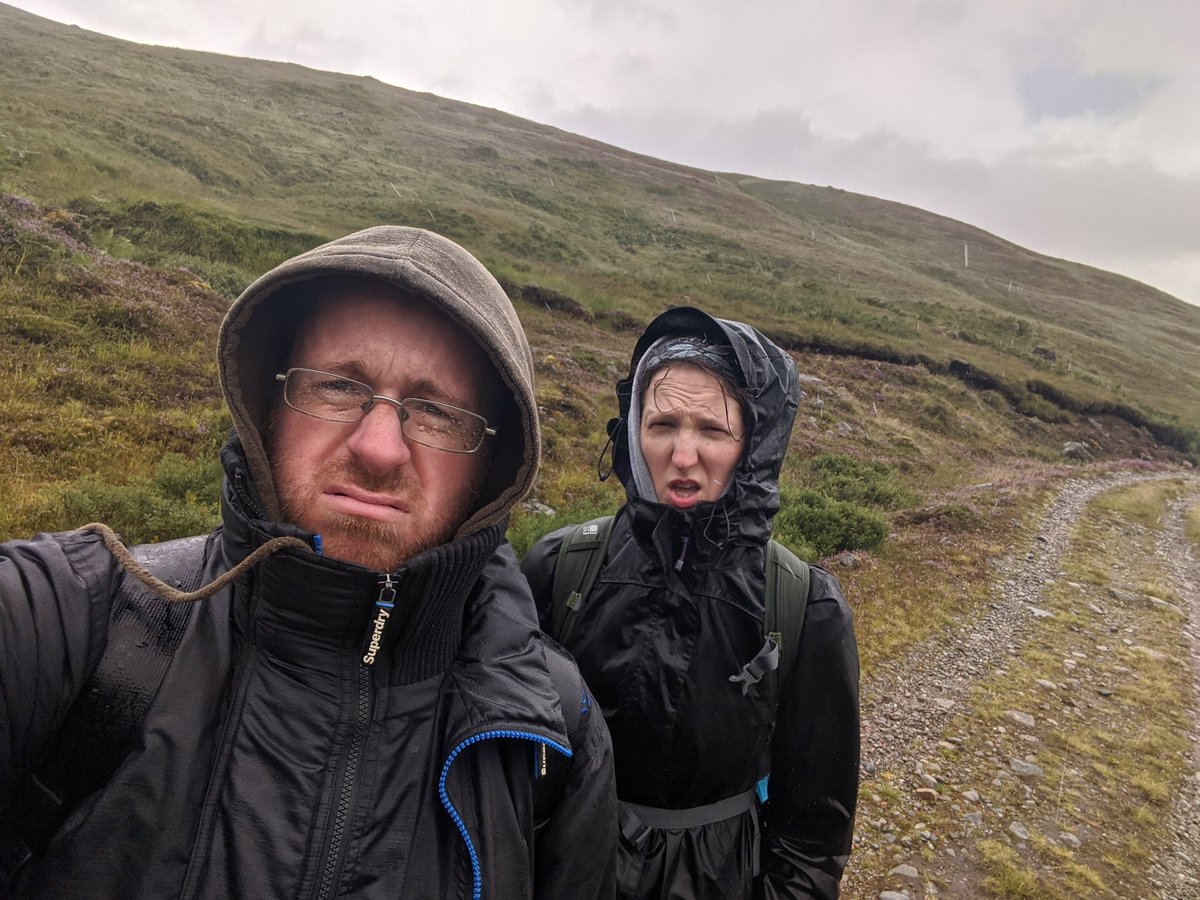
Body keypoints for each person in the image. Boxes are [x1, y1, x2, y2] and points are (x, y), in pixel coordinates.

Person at [0, 225, 617, 899]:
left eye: (437, 412)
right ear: (267, 409)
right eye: (337, 386)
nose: (379, 448)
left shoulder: (553, 734)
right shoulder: (73, 616)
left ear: (491, 464)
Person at [521, 307, 859, 899]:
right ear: (631, 431)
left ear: (755, 442)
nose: (683, 455)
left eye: (712, 429)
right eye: (662, 424)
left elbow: (813, 832)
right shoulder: (557, 570)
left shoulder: (804, 607)